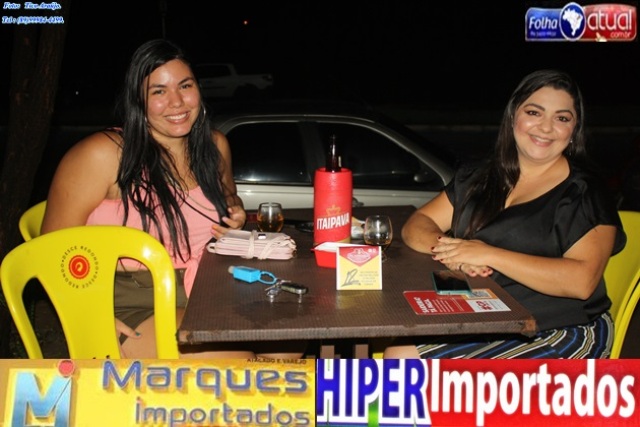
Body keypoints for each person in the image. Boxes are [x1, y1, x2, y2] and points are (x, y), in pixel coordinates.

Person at [42, 39, 301, 359]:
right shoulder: (103, 154)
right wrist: (89, 315)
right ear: (138, 100)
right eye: (159, 91)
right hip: (129, 302)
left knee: (290, 345)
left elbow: (229, 196)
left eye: (185, 86)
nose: (176, 102)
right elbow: (49, 251)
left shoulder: (214, 146)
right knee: (240, 363)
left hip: (207, 287)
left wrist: (233, 212)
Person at [384, 69, 627, 359]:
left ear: (574, 130)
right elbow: (418, 224)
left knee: (404, 361)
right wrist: (455, 252)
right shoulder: (480, 177)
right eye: (534, 112)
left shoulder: (585, 192)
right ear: (513, 117)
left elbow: (581, 282)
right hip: (489, 316)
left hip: (563, 331)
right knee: (399, 350)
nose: (546, 127)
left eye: (562, 118)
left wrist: (487, 254)